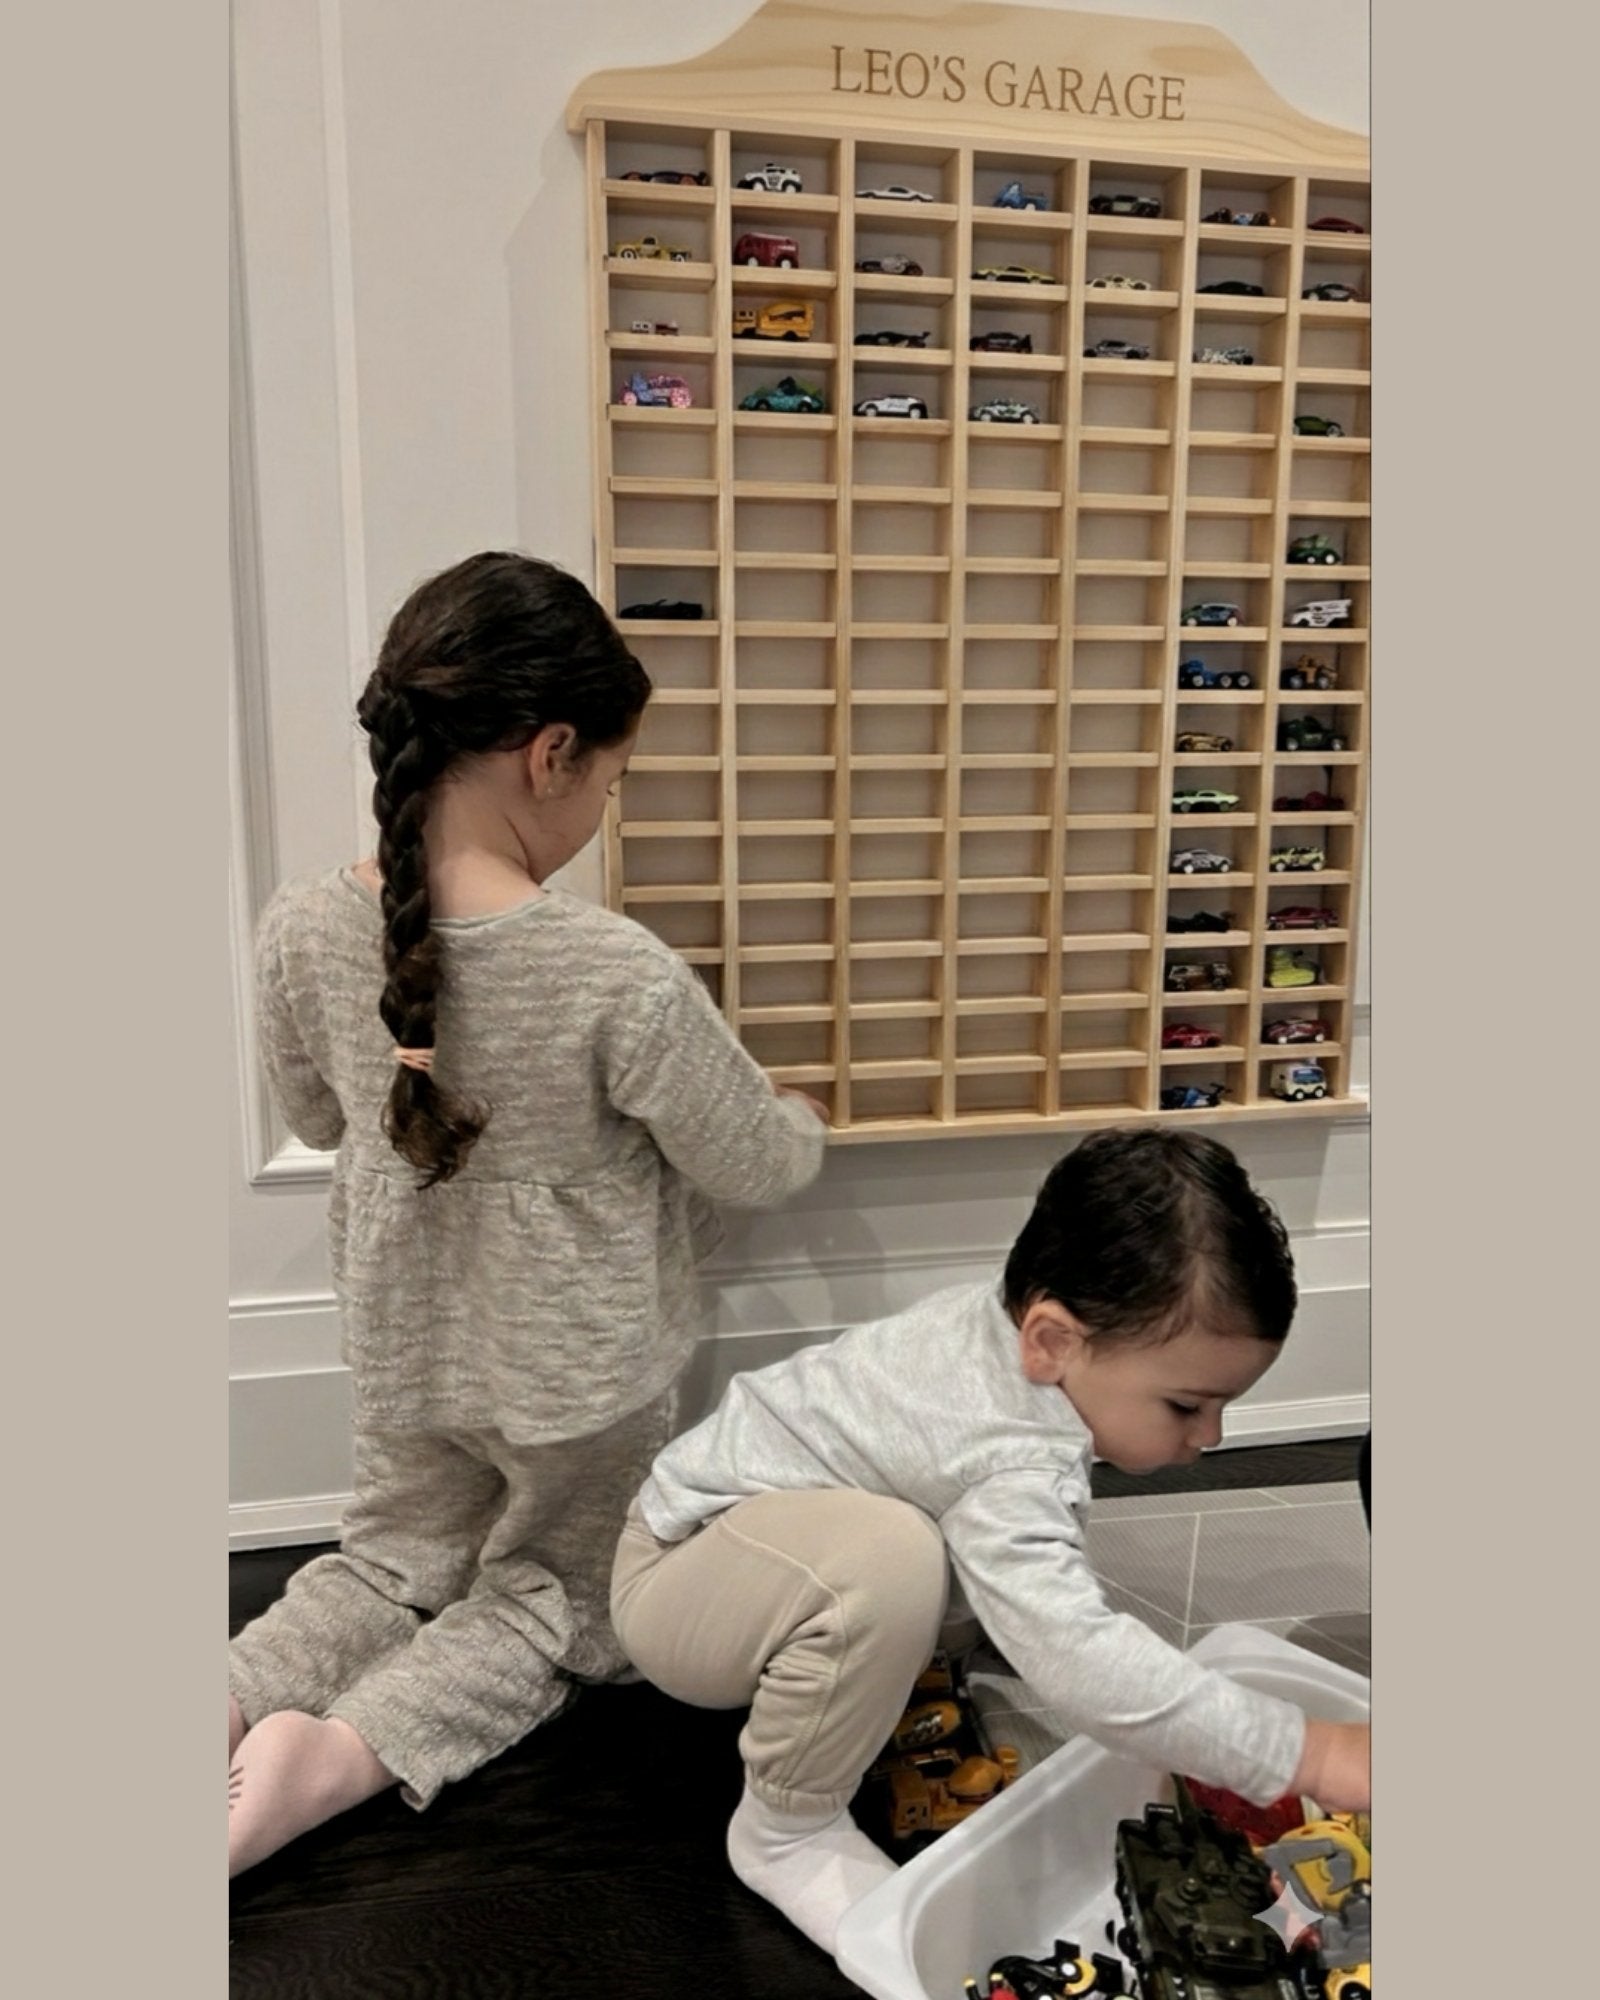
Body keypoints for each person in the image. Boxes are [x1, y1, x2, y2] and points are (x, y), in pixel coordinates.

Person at [228, 552, 827, 1876]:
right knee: (559, 1596)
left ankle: (225, 1697)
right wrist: (797, 1113)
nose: (603, 806)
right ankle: (341, 1754)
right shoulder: (614, 971)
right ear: (551, 753)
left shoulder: (300, 928)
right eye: (610, 779)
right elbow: (751, 1163)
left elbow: (321, 1119)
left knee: (385, 1559)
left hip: (404, 1342)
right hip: (577, 1375)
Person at [611, 1127, 1371, 1958]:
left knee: (942, 1563)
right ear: (1051, 1341)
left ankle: (874, 1661)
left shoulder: (1009, 1342)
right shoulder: (1004, 1452)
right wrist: (1311, 1752)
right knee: (890, 1559)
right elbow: (1077, 1662)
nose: (1211, 1436)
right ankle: (786, 1827)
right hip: (680, 1583)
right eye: (1186, 1406)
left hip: (752, 1561)